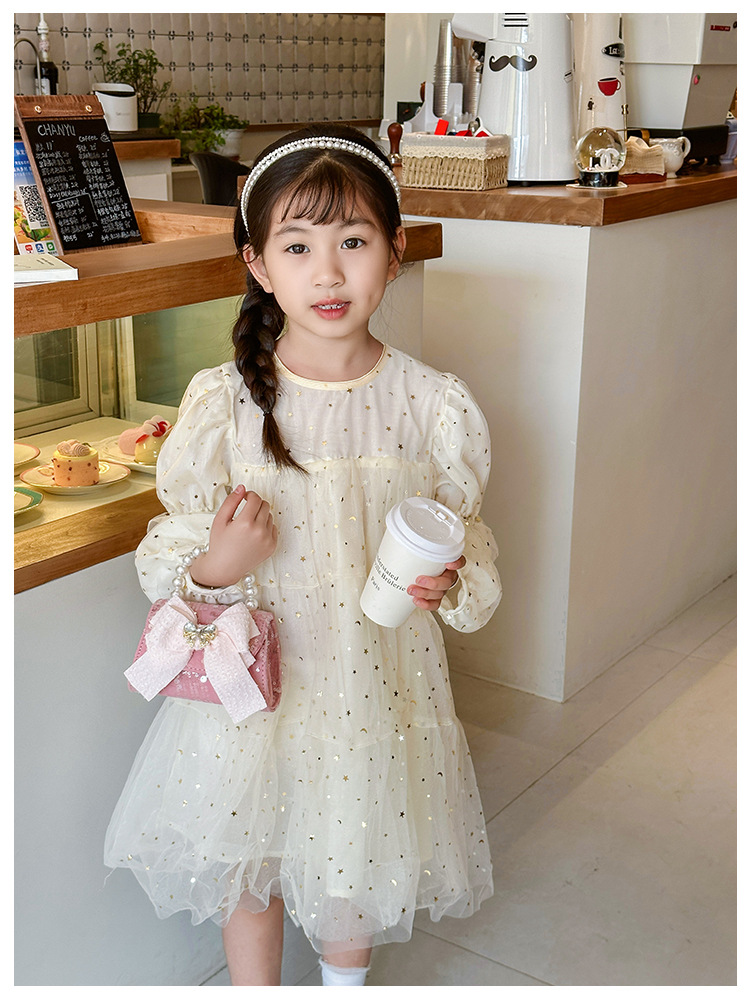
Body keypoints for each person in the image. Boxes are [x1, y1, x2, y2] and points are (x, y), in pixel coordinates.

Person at [104, 122, 502, 987]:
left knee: (353, 851)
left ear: (395, 251)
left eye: (353, 242)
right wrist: (216, 563)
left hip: (374, 683)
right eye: (298, 246)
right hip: (256, 690)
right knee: (249, 857)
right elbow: (173, 550)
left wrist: (451, 579)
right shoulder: (224, 403)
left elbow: (466, 541)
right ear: (257, 264)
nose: (328, 272)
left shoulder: (432, 404)